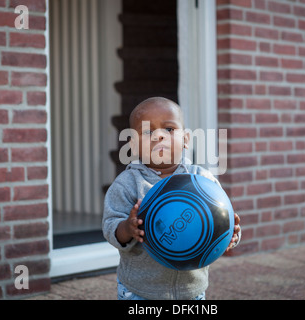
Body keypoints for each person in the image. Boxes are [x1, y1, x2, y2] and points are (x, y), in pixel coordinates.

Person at [102, 97, 241, 300]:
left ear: (185, 139)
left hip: (191, 290)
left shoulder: (202, 181)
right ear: (133, 144)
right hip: (140, 291)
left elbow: (222, 218)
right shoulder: (128, 183)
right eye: (148, 132)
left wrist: (231, 234)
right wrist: (127, 228)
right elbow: (110, 226)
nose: (159, 136)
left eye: (169, 129)